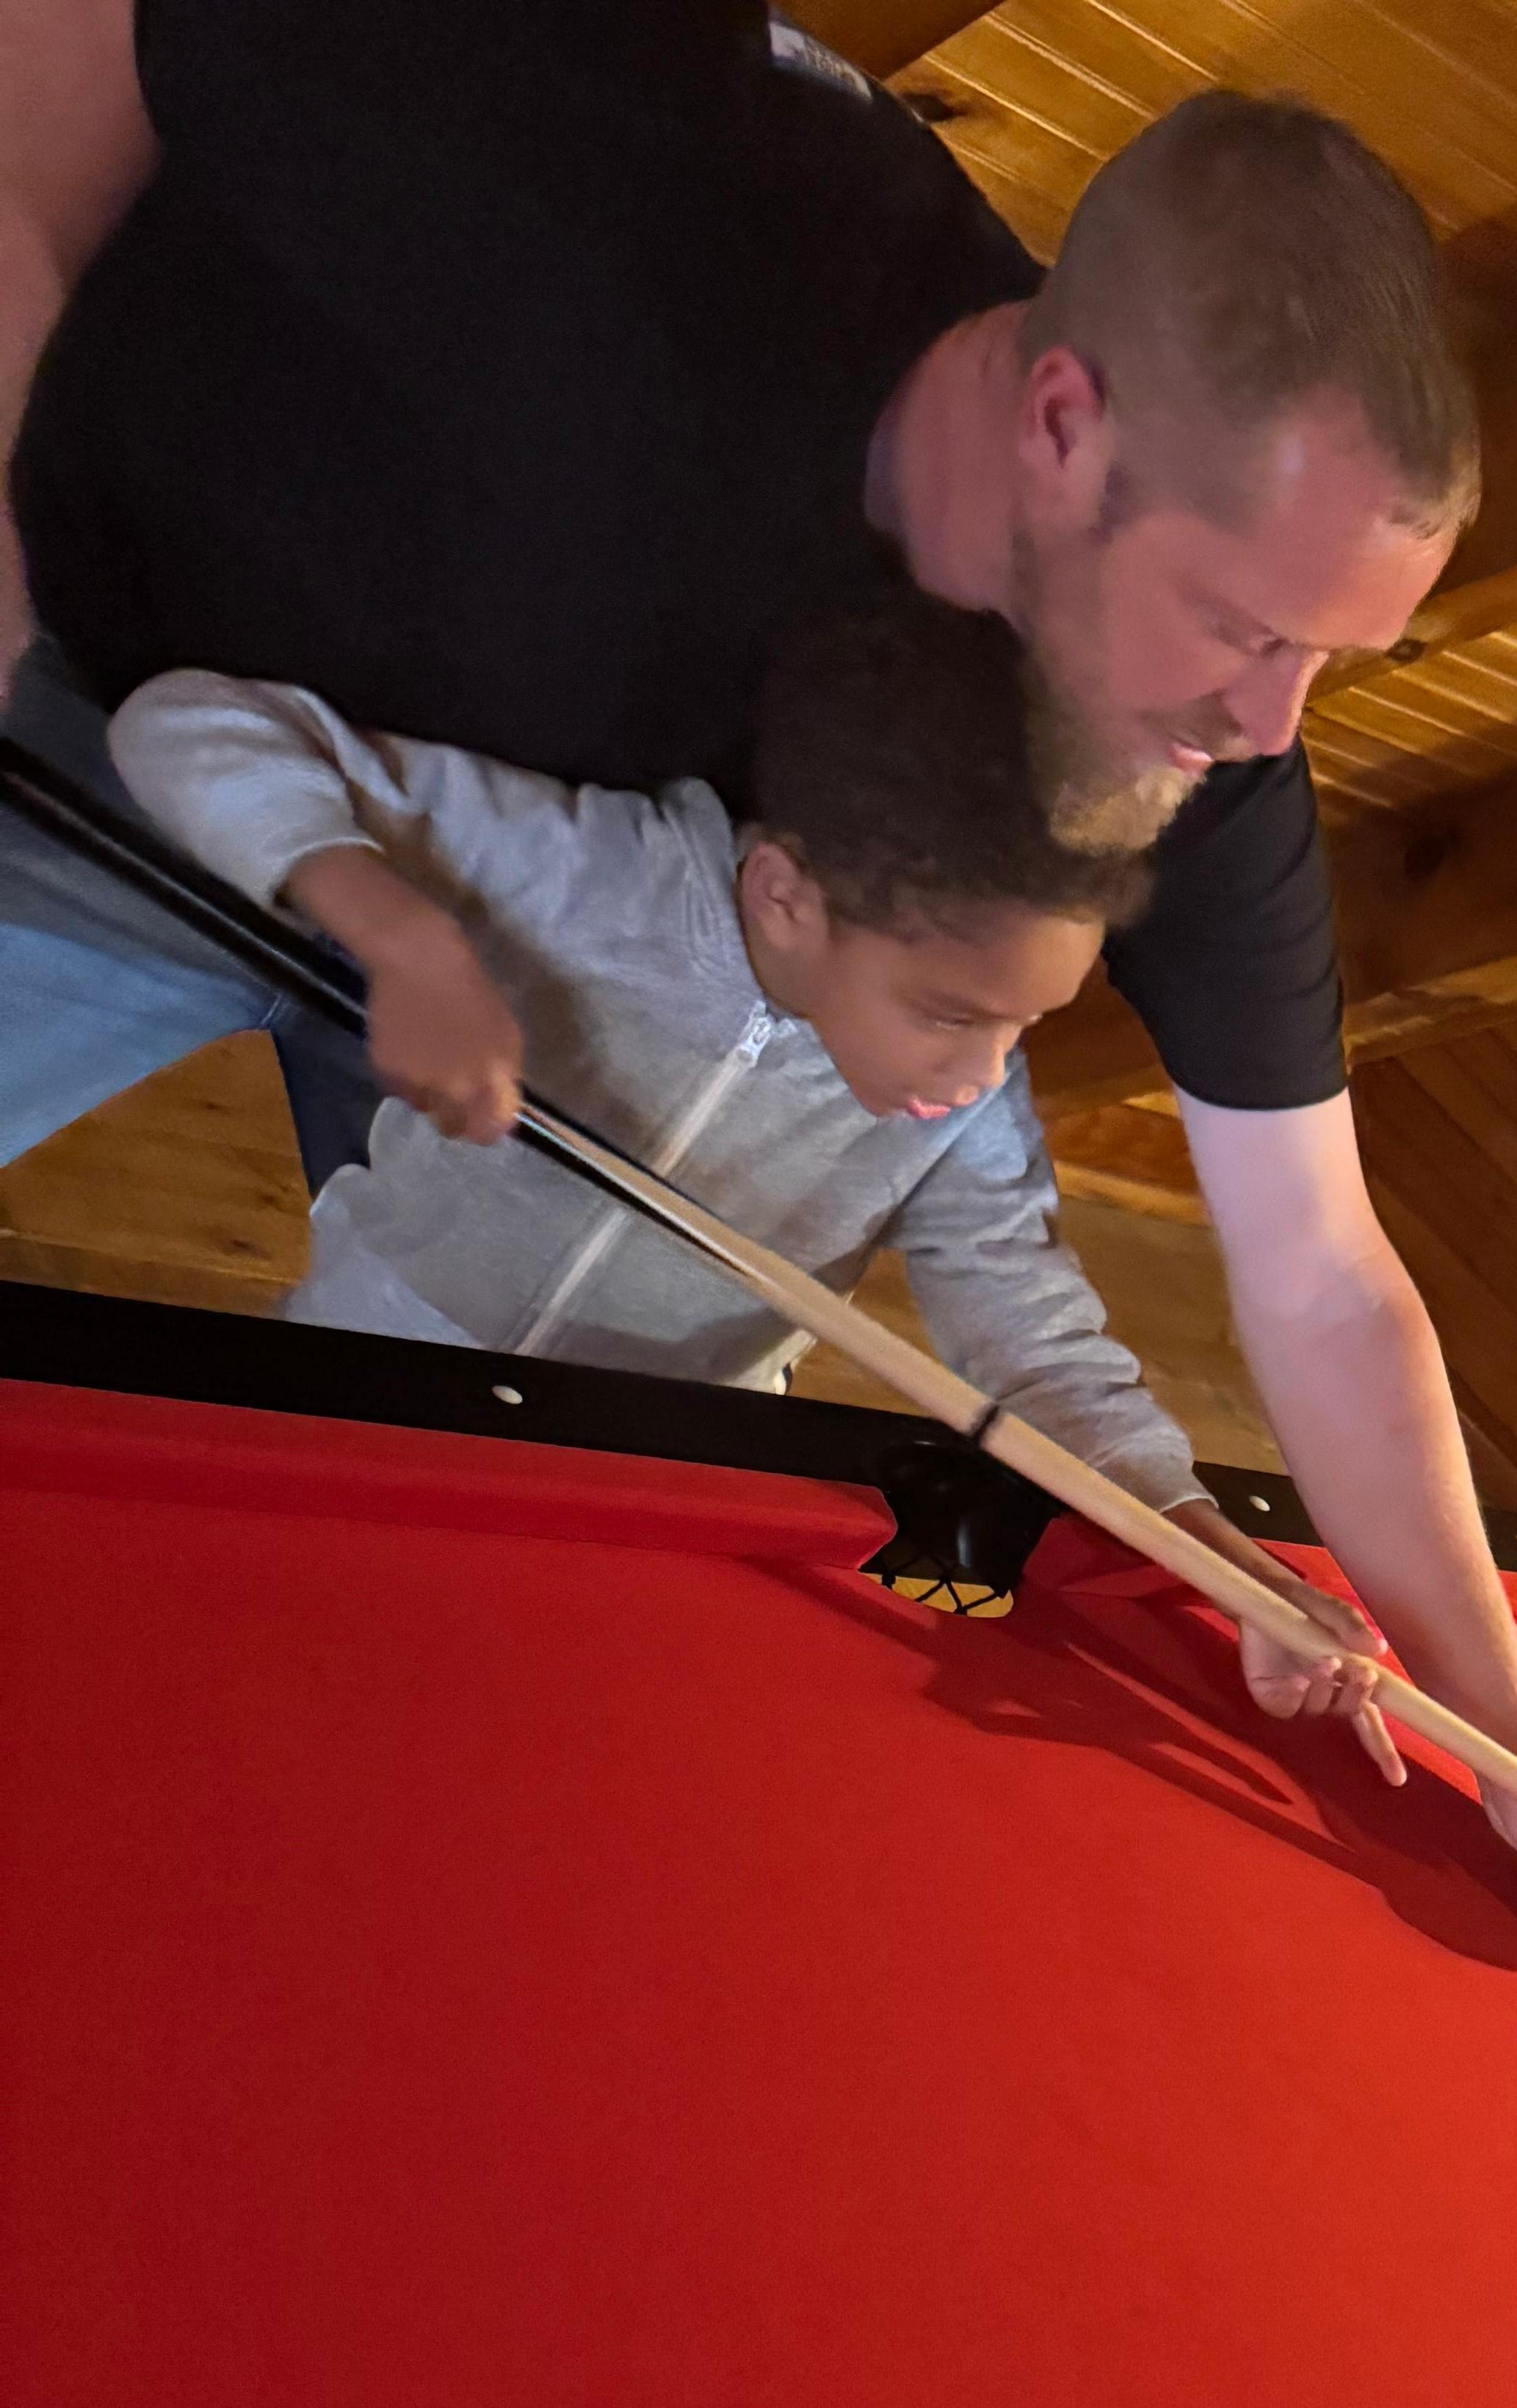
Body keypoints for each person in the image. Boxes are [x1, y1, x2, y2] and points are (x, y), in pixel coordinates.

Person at [0, 11, 1517, 1994]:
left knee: (492, 1592)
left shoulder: (1173, 752)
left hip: (558, 944)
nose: (1267, 725)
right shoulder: (656, 169)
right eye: (1246, 627)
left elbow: (1316, 1272)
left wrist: (1512, 1733)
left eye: (1327, 659)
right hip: (149, 715)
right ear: (1061, 427)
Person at [106, 593, 1402, 1763]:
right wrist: (402, 933)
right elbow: (186, 723)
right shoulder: (595, 872)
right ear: (785, 894)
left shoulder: (968, 1106)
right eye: (948, 1010)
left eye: (1027, 1025)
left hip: (659, 1474)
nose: (983, 1071)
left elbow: (1042, 1360)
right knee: (245, 1690)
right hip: (366, 1362)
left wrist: (1209, 1548)